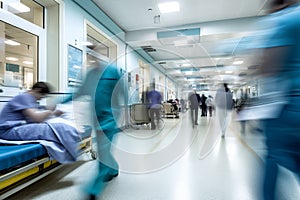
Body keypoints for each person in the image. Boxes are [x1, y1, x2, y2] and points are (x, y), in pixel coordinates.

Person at [246, 1, 300, 199]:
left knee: (274, 159)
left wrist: (255, 65)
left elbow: (268, 68)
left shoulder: (283, 21)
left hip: (288, 106)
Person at [62, 62, 124, 200]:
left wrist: (120, 117)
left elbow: (123, 94)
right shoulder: (90, 75)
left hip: (110, 119)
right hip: (96, 119)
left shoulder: (113, 72)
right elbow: (78, 93)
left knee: (103, 153)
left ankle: (93, 190)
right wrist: (59, 103)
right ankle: (113, 169)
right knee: (105, 151)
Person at [0, 82, 81, 163]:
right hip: (7, 131)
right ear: (37, 90)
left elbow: (34, 117)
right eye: (42, 96)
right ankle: (71, 151)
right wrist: (50, 111)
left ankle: (70, 145)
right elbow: (37, 118)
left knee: (57, 127)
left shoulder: (29, 100)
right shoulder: (24, 97)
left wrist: (52, 112)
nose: (40, 99)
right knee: (53, 128)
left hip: (13, 129)